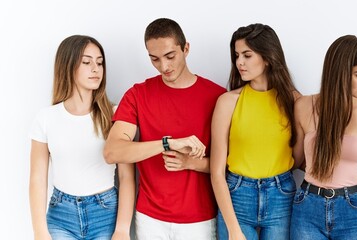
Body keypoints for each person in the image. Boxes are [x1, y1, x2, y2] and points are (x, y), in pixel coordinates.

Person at [104, 18, 226, 239]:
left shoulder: (217, 96)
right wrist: (167, 143)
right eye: (155, 59)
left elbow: (231, 165)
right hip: (150, 219)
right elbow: (113, 152)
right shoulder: (138, 94)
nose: (164, 67)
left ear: (186, 48)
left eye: (170, 56)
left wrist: (191, 163)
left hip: (199, 219)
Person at [29, 35, 135, 240]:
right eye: (87, 62)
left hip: (105, 215)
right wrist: (39, 231)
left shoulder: (115, 115)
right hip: (61, 215)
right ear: (68, 66)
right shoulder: (46, 118)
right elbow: (37, 179)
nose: (96, 69)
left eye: (100, 62)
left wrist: (122, 229)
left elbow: (126, 177)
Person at [290, 35, 357, 240]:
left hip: (353, 210)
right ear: (339, 73)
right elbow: (296, 162)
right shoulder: (304, 106)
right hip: (307, 206)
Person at [210, 23, 301, 240]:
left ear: (268, 57)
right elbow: (216, 172)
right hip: (237, 195)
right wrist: (233, 229)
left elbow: (298, 159)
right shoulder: (227, 102)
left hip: (281, 195)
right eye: (237, 55)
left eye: (247, 55)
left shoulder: (294, 101)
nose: (239, 62)